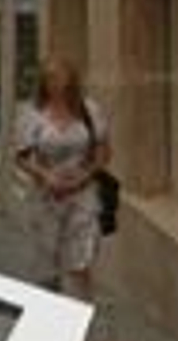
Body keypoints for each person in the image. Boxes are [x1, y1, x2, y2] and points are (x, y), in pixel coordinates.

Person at [14, 57, 114, 300]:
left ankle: (82, 312)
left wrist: (84, 176)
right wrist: (45, 176)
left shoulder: (89, 111)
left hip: (82, 194)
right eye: (50, 78)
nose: (56, 83)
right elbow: (21, 156)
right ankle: (50, 313)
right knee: (47, 260)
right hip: (46, 197)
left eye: (61, 77)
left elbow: (104, 151)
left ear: (72, 80)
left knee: (81, 256)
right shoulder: (33, 114)